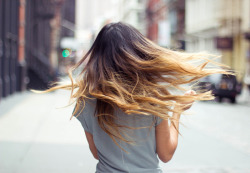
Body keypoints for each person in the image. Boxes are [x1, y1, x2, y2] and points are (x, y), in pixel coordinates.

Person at [41, 22, 229, 173]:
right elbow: (165, 154)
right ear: (137, 53)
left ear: (97, 56)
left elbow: (97, 153)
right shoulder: (153, 95)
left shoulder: (85, 99)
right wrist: (177, 111)